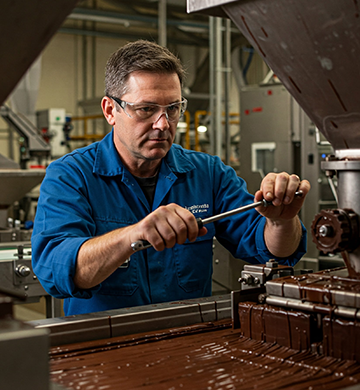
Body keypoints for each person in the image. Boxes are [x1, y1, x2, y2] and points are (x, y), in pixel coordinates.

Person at [32, 39, 310, 316]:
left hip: (187, 341)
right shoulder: (71, 175)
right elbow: (55, 270)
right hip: (105, 348)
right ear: (110, 111)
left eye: (173, 109)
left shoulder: (207, 174)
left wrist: (282, 221)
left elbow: (271, 251)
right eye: (146, 109)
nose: (163, 124)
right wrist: (133, 235)